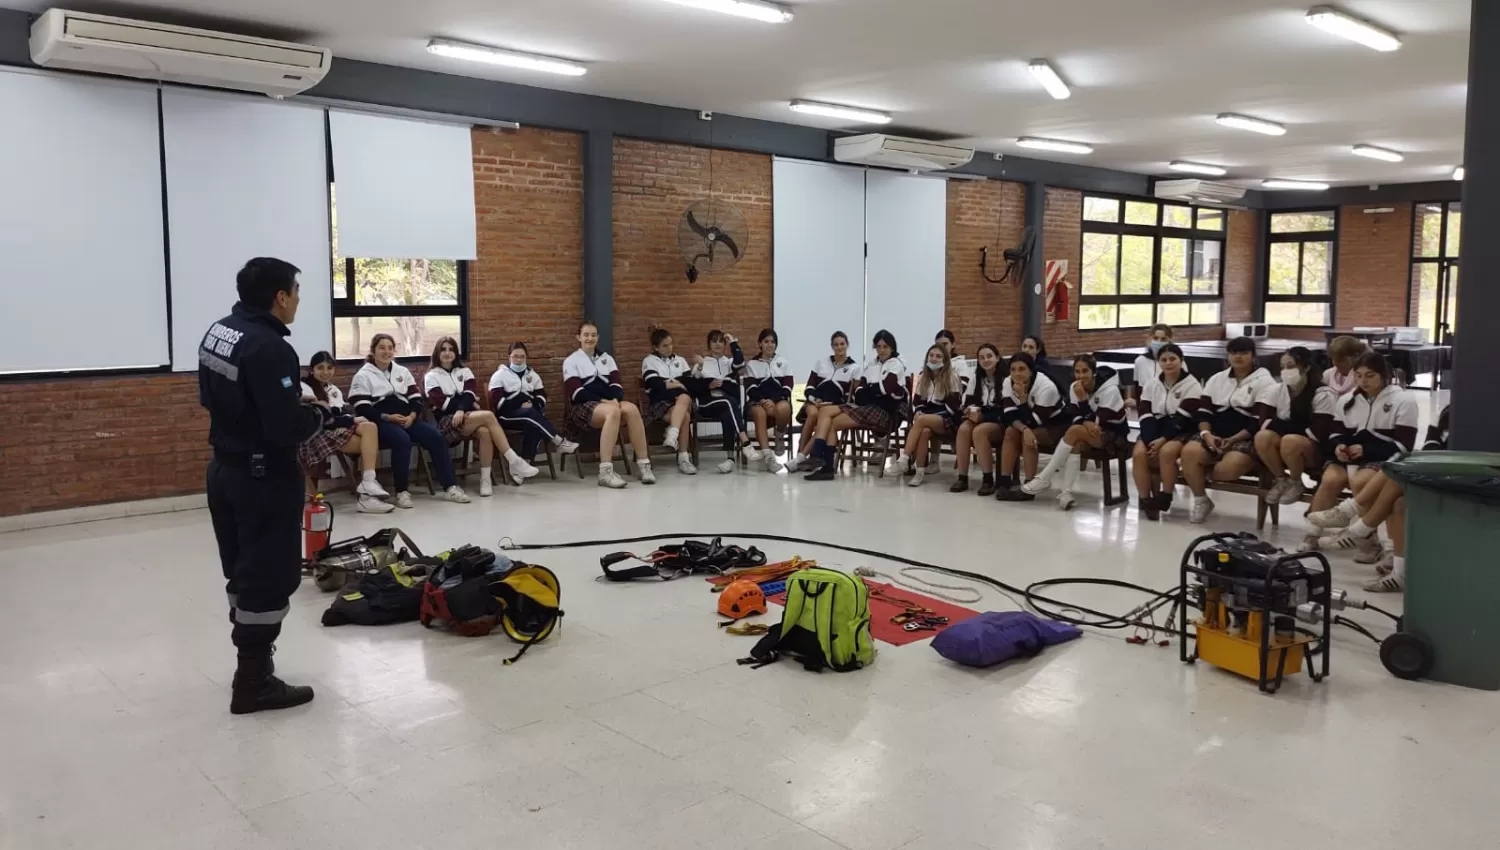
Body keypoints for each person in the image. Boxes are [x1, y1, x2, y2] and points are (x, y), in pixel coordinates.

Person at [199, 257, 324, 713]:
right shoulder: (270, 347)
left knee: (243, 570)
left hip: (225, 471)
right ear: (280, 296)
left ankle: (249, 665)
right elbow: (285, 427)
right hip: (263, 477)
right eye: (295, 292)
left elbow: (211, 398)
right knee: (271, 576)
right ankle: (253, 681)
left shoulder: (220, 331)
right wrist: (317, 414)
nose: (297, 302)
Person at [1302, 352, 1419, 557]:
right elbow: (1335, 434)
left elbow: (1403, 446)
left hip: (1381, 456)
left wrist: (1366, 450)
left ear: (1384, 375)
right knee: (1330, 479)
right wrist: (1339, 447)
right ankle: (1312, 534)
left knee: (1360, 481)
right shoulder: (1347, 400)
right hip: (1349, 457)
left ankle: (1369, 540)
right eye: (1358, 375)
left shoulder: (1403, 400)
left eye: (1370, 375)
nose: (1363, 381)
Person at [350, 334, 471, 507]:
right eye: (382, 348)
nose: (387, 351)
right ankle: (402, 492)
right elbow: (362, 407)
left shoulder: (402, 371)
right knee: (402, 440)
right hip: (381, 421)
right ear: (373, 351)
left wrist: (412, 416)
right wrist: (387, 417)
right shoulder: (363, 375)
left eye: (390, 348)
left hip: (407, 417)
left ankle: (450, 487)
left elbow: (416, 399)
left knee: (436, 437)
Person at [1174, 337, 1278, 523]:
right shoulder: (1217, 379)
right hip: (1213, 435)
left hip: (1245, 438)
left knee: (1228, 470)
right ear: (1228, 355)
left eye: (1244, 353)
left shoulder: (1265, 381)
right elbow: (1204, 413)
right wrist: (1207, 435)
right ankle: (1201, 499)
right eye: (1234, 353)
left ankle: (1196, 473)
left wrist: (1233, 440)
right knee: (1189, 453)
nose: (1238, 357)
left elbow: (1258, 420)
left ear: (1253, 356)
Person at [425, 336, 538, 496]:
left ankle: (485, 481)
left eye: (451, 349)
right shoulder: (431, 376)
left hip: (466, 417)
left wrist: (462, 405)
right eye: (443, 349)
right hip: (445, 422)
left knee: (485, 431)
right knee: (488, 415)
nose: (447, 353)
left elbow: (470, 394)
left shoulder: (465, 371)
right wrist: (462, 404)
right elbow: (441, 403)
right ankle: (514, 460)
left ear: (456, 353)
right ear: (437, 353)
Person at [1019, 355, 1127, 510]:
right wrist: (1085, 418)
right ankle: (1066, 493)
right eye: (1077, 371)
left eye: (1085, 371)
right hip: (1088, 432)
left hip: (1115, 437)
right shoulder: (1074, 387)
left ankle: (1044, 477)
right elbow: (1074, 414)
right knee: (1075, 441)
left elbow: (1098, 423)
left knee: (1075, 431)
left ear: (1093, 372)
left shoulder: (1111, 390)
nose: (1081, 376)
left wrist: (1083, 401)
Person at [803, 330, 908, 481]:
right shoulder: (872, 364)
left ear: (892, 347)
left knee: (829, 419)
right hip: (866, 408)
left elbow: (886, 389)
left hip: (885, 412)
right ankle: (823, 463)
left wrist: (870, 392)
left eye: (885, 346)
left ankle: (818, 456)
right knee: (826, 415)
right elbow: (859, 393)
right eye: (878, 347)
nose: (882, 350)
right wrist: (872, 392)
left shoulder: (896, 365)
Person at [297, 351, 392, 514]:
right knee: (366, 439)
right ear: (312, 369)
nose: (326, 372)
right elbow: (323, 420)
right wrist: (348, 421)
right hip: (316, 434)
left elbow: (338, 414)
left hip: (334, 430)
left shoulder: (333, 389)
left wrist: (344, 421)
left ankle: (368, 483)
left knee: (370, 427)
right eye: (320, 368)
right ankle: (366, 498)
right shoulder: (305, 387)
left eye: (329, 368)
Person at [564, 320, 654, 488]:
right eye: (585, 335)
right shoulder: (571, 361)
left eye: (593, 335)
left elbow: (617, 386)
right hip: (583, 407)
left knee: (632, 409)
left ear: (597, 337)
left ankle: (644, 465)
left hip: (609, 403)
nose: (589, 338)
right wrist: (604, 400)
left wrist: (614, 399)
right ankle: (605, 472)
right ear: (578, 337)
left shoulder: (607, 359)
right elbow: (577, 393)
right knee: (612, 412)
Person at [1254, 347, 1338, 506]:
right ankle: (1281, 479)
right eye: (1282, 367)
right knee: (1262, 437)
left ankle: (1296, 482)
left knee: (1290, 441)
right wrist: (1295, 427)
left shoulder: (1323, 393)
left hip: (1313, 450)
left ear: (1305, 367)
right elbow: (1264, 423)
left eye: (1291, 366)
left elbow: (1318, 432)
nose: (1285, 371)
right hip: (1285, 445)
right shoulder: (1275, 390)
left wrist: (1282, 426)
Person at [1132, 343, 1202, 520]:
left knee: (1167, 451)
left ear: (1181, 360)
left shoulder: (1192, 385)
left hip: (1181, 428)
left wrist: (1162, 440)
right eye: (1164, 360)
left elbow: (1183, 418)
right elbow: (1145, 412)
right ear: (1158, 362)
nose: (1169, 363)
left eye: (1173, 359)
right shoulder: (1152, 384)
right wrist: (1150, 440)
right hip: (1155, 426)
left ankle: (1166, 495)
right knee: (1139, 453)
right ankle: (1145, 499)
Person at [489, 342, 580, 463]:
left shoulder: (533, 375)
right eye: (515, 356)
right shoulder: (499, 376)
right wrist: (520, 402)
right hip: (507, 417)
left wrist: (531, 404)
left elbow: (542, 398)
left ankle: (524, 464)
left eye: (522, 356)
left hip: (529, 416)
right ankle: (559, 442)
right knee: (533, 416)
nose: (519, 360)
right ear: (509, 357)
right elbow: (498, 403)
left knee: (533, 422)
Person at [994, 351, 1064, 501]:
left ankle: (1029, 485)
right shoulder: (1008, 382)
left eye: (1022, 369)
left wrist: (1023, 399)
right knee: (1010, 432)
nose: (1017, 374)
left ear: (1031, 371)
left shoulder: (1046, 387)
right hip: (1027, 422)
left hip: (1054, 425)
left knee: (1030, 437)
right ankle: (1005, 482)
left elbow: (1035, 421)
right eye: (1013, 369)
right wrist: (1024, 428)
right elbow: (1008, 414)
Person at [891, 344, 963, 487]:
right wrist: (919, 411)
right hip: (928, 419)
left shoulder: (952, 376)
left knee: (922, 420)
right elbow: (918, 401)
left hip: (948, 419)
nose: (934, 359)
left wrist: (924, 416)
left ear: (945, 359)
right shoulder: (923, 376)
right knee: (923, 431)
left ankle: (904, 459)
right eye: (931, 356)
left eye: (938, 356)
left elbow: (953, 406)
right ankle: (919, 473)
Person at [693, 329, 759, 473]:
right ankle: (746, 443)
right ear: (708, 344)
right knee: (730, 403)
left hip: (725, 403)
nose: (717, 344)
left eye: (721, 341)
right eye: (714, 341)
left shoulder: (729, 363)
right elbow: (694, 384)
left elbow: (740, 362)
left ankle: (730, 459)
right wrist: (701, 371)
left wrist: (733, 343)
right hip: (707, 403)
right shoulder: (703, 362)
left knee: (728, 410)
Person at [793, 331, 860, 470]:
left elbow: (850, 396)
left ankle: (807, 458)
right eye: (836, 344)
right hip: (815, 402)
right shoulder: (821, 363)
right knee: (812, 414)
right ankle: (800, 456)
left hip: (834, 406)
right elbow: (809, 387)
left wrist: (831, 403)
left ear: (847, 345)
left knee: (822, 418)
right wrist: (815, 399)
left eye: (842, 344)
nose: (839, 347)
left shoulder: (854, 368)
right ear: (832, 347)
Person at [641, 328, 699, 475]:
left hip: (680, 403)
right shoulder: (649, 361)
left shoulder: (680, 360)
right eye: (664, 346)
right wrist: (677, 384)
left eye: (670, 344)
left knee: (685, 398)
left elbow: (689, 384)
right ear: (655, 347)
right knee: (684, 415)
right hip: (661, 405)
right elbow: (654, 384)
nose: (669, 348)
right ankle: (683, 458)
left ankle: (673, 434)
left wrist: (671, 383)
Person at [950, 343, 1003, 494]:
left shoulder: (1006, 379)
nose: (986, 360)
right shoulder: (977, 378)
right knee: (964, 429)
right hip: (981, 417)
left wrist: (982, 417)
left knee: (979, 431)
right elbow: (967, 401)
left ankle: (988, 479)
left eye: (989, 356)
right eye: (982, 358)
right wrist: (968, 410)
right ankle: (962, 477)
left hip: (999, 421)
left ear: (997, 358)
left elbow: (1006, 410)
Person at [742, 329, 794, 473]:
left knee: (783, 408)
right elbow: (750, 388)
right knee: (760, 413)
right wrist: (763, 400)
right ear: (760, 344)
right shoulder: (751, 364)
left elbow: (788, 386)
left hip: (778, 400)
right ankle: (768, 457)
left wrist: (774, 400)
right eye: (766, 342)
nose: (770, 345)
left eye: (772, 342)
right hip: (757, 402)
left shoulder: (783, 362)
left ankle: (779, 435)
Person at [1130, 323, 1174, 405]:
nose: (1159, 342)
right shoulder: (1140, 361)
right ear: (1150, 339)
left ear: (1169, 341)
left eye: (1163, 339)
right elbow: (1138, 388)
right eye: (1155, 338)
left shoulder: (1177, 362)